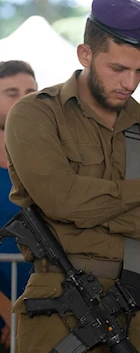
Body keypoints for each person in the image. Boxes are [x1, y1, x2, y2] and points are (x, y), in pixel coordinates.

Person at [4, 0, 140, 352]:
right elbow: (60, 199)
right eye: (118, 68)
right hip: (61, 298)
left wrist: (85, 215)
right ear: (85, 54)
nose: (131, 83)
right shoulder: (35, 114)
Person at [0, 60, 37, 351]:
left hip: (45, 310)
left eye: (31, 92)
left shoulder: (46, 166)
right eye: (11, 93)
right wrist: (8, 313)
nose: (23, 100)